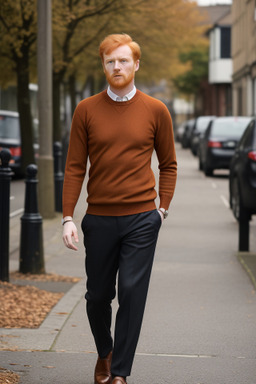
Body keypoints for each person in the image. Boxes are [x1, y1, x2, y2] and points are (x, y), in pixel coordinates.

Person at [62, 33, 177, 384]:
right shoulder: (86, 109)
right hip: (98, 218)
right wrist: (68, 216)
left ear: (136, 64)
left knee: (131, 292)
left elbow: (168, 164)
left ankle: (120, 373)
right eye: (111, 61)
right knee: (98, 296)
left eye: (124, 60)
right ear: (103, 64)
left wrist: (162, 210)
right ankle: (104, 353)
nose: (117, 66)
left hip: (142, 218)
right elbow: (74, 167)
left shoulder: (156, 110)